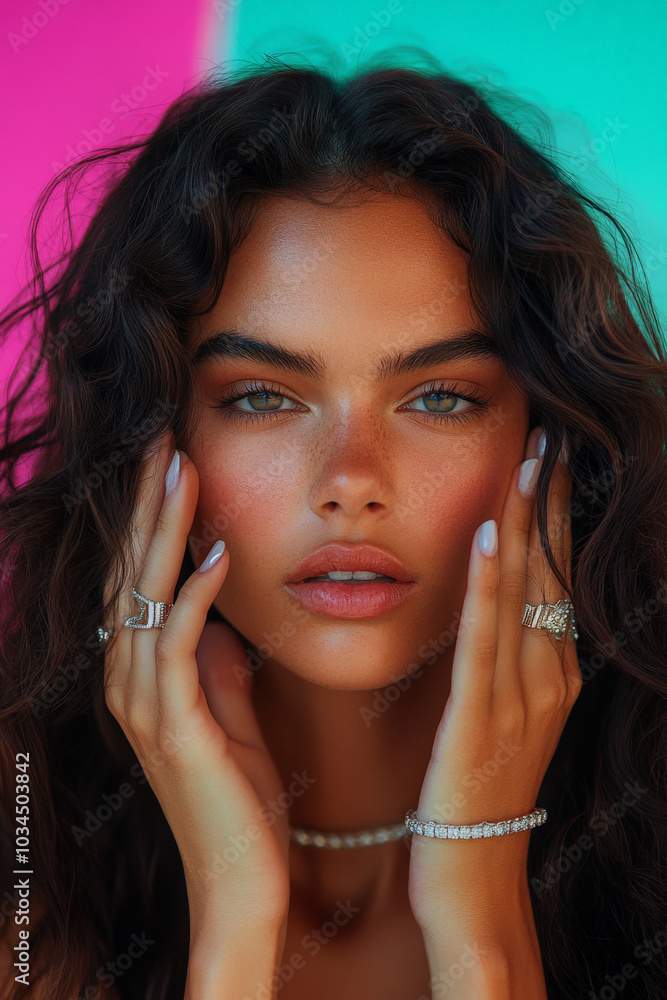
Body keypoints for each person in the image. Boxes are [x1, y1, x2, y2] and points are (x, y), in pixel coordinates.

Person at [0, 56, 665, 1000]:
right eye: (263, 396)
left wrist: (480, 919)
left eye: (438, 397)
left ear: (549, 443)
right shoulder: (21, 870)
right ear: (148, 437)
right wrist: (233, 929)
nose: (350, 482)